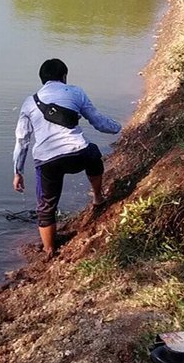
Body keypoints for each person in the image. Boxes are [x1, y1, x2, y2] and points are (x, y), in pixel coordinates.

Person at [12, 58, 121, 256]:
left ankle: (49, 250)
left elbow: (22, 141)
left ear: (42, 79)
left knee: (46, 207)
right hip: (78, 154)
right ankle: (98, 198)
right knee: (94, 153)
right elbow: (98, 121)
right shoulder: (75, 92)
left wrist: (17, 172)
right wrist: (118, 128)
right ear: (64, 77)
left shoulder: (29, 103)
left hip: (47, 162)